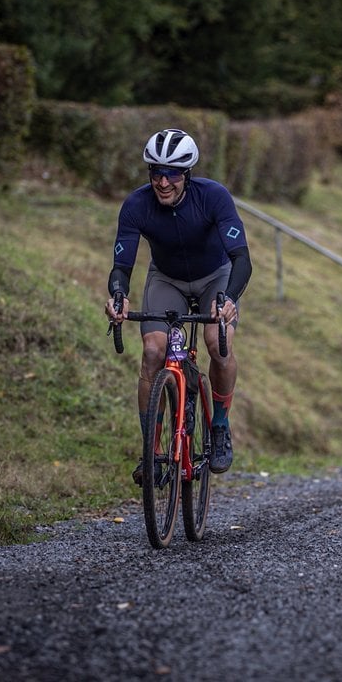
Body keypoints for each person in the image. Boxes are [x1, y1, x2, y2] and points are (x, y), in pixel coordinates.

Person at [105, 128, 251, 479]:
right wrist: (118, 295)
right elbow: (122, 264)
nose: (163, 182)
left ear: (186, 175)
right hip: (166, 278)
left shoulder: (213, 197)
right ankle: (152, 453)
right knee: (153, 352)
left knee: (218, 344)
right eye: (156, 172)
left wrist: (229, 300)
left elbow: (242, 257)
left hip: (214, 275)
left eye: (172, 173)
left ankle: (218, 425)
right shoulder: (137, 204)